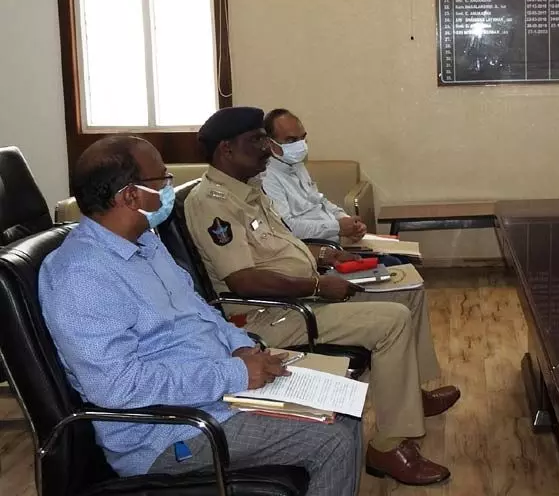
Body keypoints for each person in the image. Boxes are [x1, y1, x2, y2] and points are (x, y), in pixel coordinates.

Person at [38, 136, 360, 495]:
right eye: (162, 180)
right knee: (333, 439)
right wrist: (234, 373)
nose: (169, 189)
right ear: (130, 196)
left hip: (221, 394)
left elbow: (201, 312)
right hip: (173, 432)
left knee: (345, 404)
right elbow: (118, 387)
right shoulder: (80, 275)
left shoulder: (147, 244)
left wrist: (241, 348)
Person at [184, 107, 457, 485]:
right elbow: (244, 280)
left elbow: (284, 246)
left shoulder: (249, 190)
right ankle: (388, 446)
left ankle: (410, 396)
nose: (267, 148)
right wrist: (316, 286)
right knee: (392, 321)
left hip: (305, 295)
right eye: (257, 140)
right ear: (226, 150)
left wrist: (326, 256)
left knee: (403, 288)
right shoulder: (211, 202)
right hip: (271, 317)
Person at [261, 108, 366, 244]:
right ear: (270, 143)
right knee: (392, 262)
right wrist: (337, 228)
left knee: (396, 260)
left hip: (336, 238)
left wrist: (349, 222)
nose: (300, 145)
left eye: (302, 138)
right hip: (315, 249)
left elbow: (319, 202)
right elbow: (286, 227)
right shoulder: (267, 177)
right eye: (291, 140)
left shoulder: (296, 164)